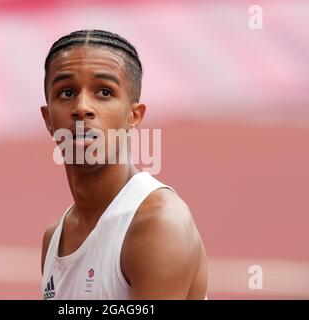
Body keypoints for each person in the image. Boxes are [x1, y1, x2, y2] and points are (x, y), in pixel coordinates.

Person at [40, 29, 207, 299]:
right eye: (67, 92)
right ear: (48, 118)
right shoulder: (54, 239)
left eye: (104, 92)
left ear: (134, 115)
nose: (82, 107)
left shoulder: (158, 223)